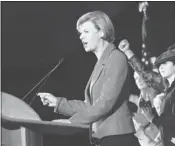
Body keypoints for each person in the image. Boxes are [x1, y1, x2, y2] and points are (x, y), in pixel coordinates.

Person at [37, 11, 140, 146]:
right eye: (80, 33)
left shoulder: (116, 57)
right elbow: (90, 106)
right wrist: (58, 103)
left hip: (118, 139)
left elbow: (106, 102)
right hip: (103, 139)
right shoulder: (102, 62)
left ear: (101, 32)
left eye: (86, 31)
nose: (81, 37)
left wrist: (72, 122)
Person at [118, 40, 175, 146]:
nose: (162, 66)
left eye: (166, 61)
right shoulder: (164, 83)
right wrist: (127, 51)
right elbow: (144, 73)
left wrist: (153, 118)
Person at [130, 72, 163, 146]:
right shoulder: (142, 95)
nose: (139, 80)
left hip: (159, 138)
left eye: (141, 77)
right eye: (136, 78)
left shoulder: (154, 93)